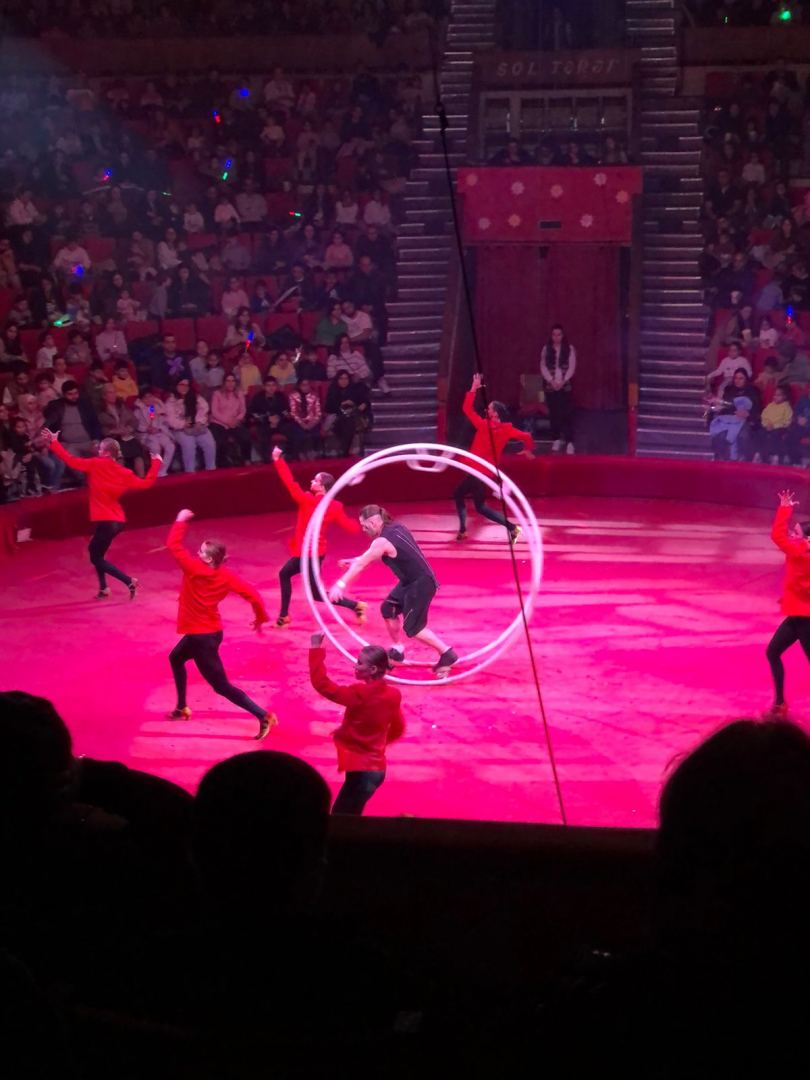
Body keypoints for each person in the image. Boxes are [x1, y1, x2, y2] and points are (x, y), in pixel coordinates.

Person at [165, 508, 276, 739]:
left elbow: (173, 545)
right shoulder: (225, 576)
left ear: (208, 558)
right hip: (211, 632)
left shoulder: (194, 569)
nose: (197, 553)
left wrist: (180, 520)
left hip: (201, 638)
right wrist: (260, 618)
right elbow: (253, 595)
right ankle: (181, 707)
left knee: (221, 686)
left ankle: (263, 715)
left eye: (201, 551)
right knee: (175, 658)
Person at [329, 505, 458, 678]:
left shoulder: (381, 541)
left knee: (414, 628)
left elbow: (363, 564)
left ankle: (447, 653)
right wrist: (356, 559)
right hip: (410, 581)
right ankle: (398, 649)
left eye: (364, 525)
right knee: (388, 609)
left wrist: (340, 584)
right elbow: (370, 556)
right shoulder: (396, 527)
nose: (363, 529)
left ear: (373, 522)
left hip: (420, 585)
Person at [42, 428, 160, 598]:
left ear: (106, 452)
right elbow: (146, 484)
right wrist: (156, 464)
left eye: (100, 449)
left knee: (95, 557)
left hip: (107, 520)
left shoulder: (96, 464)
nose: (98, 451)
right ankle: (104, 589)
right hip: (117, 520)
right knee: (97, 553)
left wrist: (54, 442)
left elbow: (71, 460)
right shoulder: (124, 472)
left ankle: (128, 581)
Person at [308, 631, 404, 815]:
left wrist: (315, 648)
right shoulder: (394, 695)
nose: (355, 665)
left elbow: (322, 684)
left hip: (362, 771)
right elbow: (398, 728)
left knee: (341, 819)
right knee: (349, 815)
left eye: (359, 663)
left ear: (373, 669)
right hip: (376, 768)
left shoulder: (359, 694)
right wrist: (375, 744)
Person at [271, 446, 366, 628]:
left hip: (307, 554)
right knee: (291, 578)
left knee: (306, 587)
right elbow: (350, 527)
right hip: (315, 553)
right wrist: (363, 523)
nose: (311, 481)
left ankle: (284, 617)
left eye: (315, 480)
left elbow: (289, 482)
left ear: (322, 486)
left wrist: (278, 460)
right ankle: (284, 616)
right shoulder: (334, 506)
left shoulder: (307, 500)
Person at [454, 373, 534, 543]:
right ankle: (512, 528)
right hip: (485, 471)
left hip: (477, 469)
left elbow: (467, 409)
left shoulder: (483, 425)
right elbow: (527, 436)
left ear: (495, 413)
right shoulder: (506, 429)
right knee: (479, 506)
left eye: (490, 409)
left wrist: (473, 388)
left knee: (461, 495)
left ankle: (463, 530)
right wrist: (527, 450)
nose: (487, 410)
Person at [765, 490, 810, 718]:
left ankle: (780, 704)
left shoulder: (800, 552)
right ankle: (780, 703)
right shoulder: (801, 550)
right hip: (797, 615)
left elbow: (777, 535)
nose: (793, 535)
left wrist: (785, 507)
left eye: (797, 533)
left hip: (805, 618)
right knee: (772, 651)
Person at [540, 324, 577, 452]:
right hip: (551, 386)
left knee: (566, 414)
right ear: (551, 336)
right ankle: (556, 439)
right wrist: (551, 381)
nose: (556, 337)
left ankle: (569, 442)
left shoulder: (569, 349)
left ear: (562, 335)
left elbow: (572, 367)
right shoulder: (546, 349)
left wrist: (563, 381)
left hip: (564, 386)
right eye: (554, 335)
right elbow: (543, 366)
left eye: (559, 334)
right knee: (554, 414)